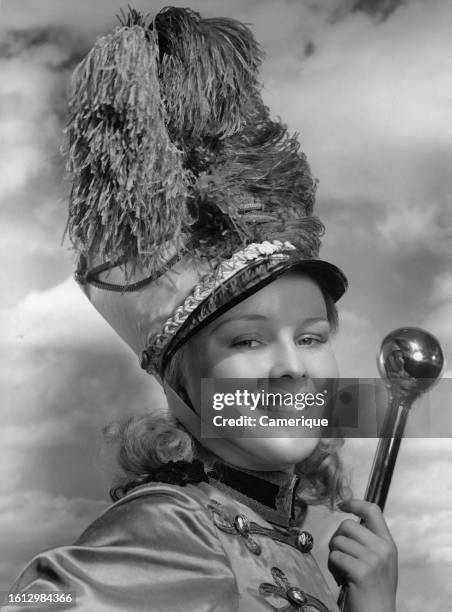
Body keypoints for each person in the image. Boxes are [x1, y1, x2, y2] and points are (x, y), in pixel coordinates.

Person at [5, 6, 397, 612]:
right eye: (246, 341)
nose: (292, 368)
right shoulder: (175, 529)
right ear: (181, 381)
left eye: (313, 337)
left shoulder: (275, 534)